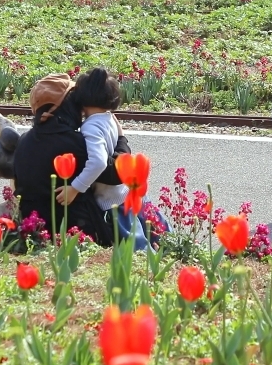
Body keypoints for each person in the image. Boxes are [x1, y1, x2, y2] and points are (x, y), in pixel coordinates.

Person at [53, 68, 170, 251]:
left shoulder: (90, 128)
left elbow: (99, 162)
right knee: (161, 237)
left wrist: (75, 188)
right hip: (130, 193)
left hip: (113, 202)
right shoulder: (110, 119)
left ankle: (153, 272)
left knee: (138, 249)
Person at [12, 73, 131, 247]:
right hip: (77, 235)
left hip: (33, 232)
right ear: (69, 105)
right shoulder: (77, 143)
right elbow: (118, 173)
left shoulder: (23, 141)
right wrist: (121, 139)